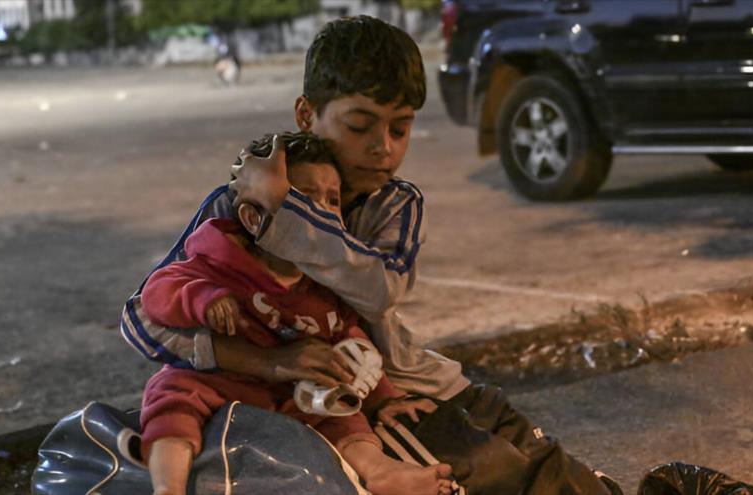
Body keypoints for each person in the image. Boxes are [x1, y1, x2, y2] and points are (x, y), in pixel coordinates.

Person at [121, 15, 619, 495]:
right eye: (360, 126)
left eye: (399, 130)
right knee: (493, 469)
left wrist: (284, 208)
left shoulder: (393, 203)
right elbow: (143, 318)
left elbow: (379, 289)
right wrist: (270, 360)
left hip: (411, 377)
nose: (382, 148)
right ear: (306, 115)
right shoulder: (239, 207)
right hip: (341, 402)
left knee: (535, 451)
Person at [139, 132, 454, 495]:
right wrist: (205, 299)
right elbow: (158, 292)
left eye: (332, 200)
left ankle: (380, 471)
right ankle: (168, 486)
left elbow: (350, 338)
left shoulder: (323, 284)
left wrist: (384, 397)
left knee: (344, 416)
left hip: (294, 393)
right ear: (252, 217)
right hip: (219, 381)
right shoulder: (221, 257)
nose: (319, 212)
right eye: (302, 199)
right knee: (172, 398)